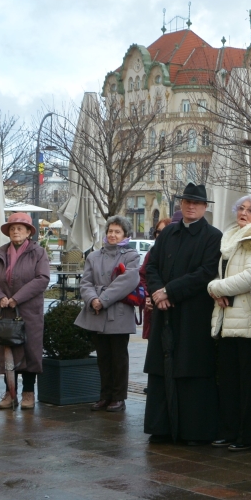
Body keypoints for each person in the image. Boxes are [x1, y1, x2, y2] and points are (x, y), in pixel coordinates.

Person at [141, 183, 222, 441]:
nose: (190, 206)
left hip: (193, 314)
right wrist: (157, 292)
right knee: (161, 369)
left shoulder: (213, 236)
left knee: (191, 369)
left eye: (196, 203)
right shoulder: (168, 233)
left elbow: (206, 273)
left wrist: (170, 292)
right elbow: (151, 266)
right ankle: (161, 427)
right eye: (187, 202)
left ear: (205, 207)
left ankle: (192, 430)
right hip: (165, 311)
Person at [209, 196, 251, 448]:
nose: (244, 213)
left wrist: (214, 288)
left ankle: (249, 436)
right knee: (228, 381)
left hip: (248, 320)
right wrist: (218, 290)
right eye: (241, 208)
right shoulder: (229, 237)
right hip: (227, 319)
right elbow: (223, 273)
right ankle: (229, 431)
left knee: (248, 383)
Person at [0, 211, 51, 411]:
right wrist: (0, 297)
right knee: (7, 352)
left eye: (20, 228)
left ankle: (28, 393)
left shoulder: (38, 252)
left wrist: (17, 298)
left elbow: (42, 279)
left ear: (29, 232)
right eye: (12, 228)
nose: (15, 231)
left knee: (30, 352)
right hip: (4, 311)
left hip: (28, 311)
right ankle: (10, 393)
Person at [77, 217, 143, 413]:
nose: (112, 235)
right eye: (110, 231)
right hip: (96, 312)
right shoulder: (93, 256)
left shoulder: (131, 256)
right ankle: (104, 395)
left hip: (119, 313)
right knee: (103, 357)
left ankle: (119, 397)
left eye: (117, 232)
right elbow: (85, 282)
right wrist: (92, 300)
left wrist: (102, 299)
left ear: (125, 235)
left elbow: (128, 281)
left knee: (119, 358)